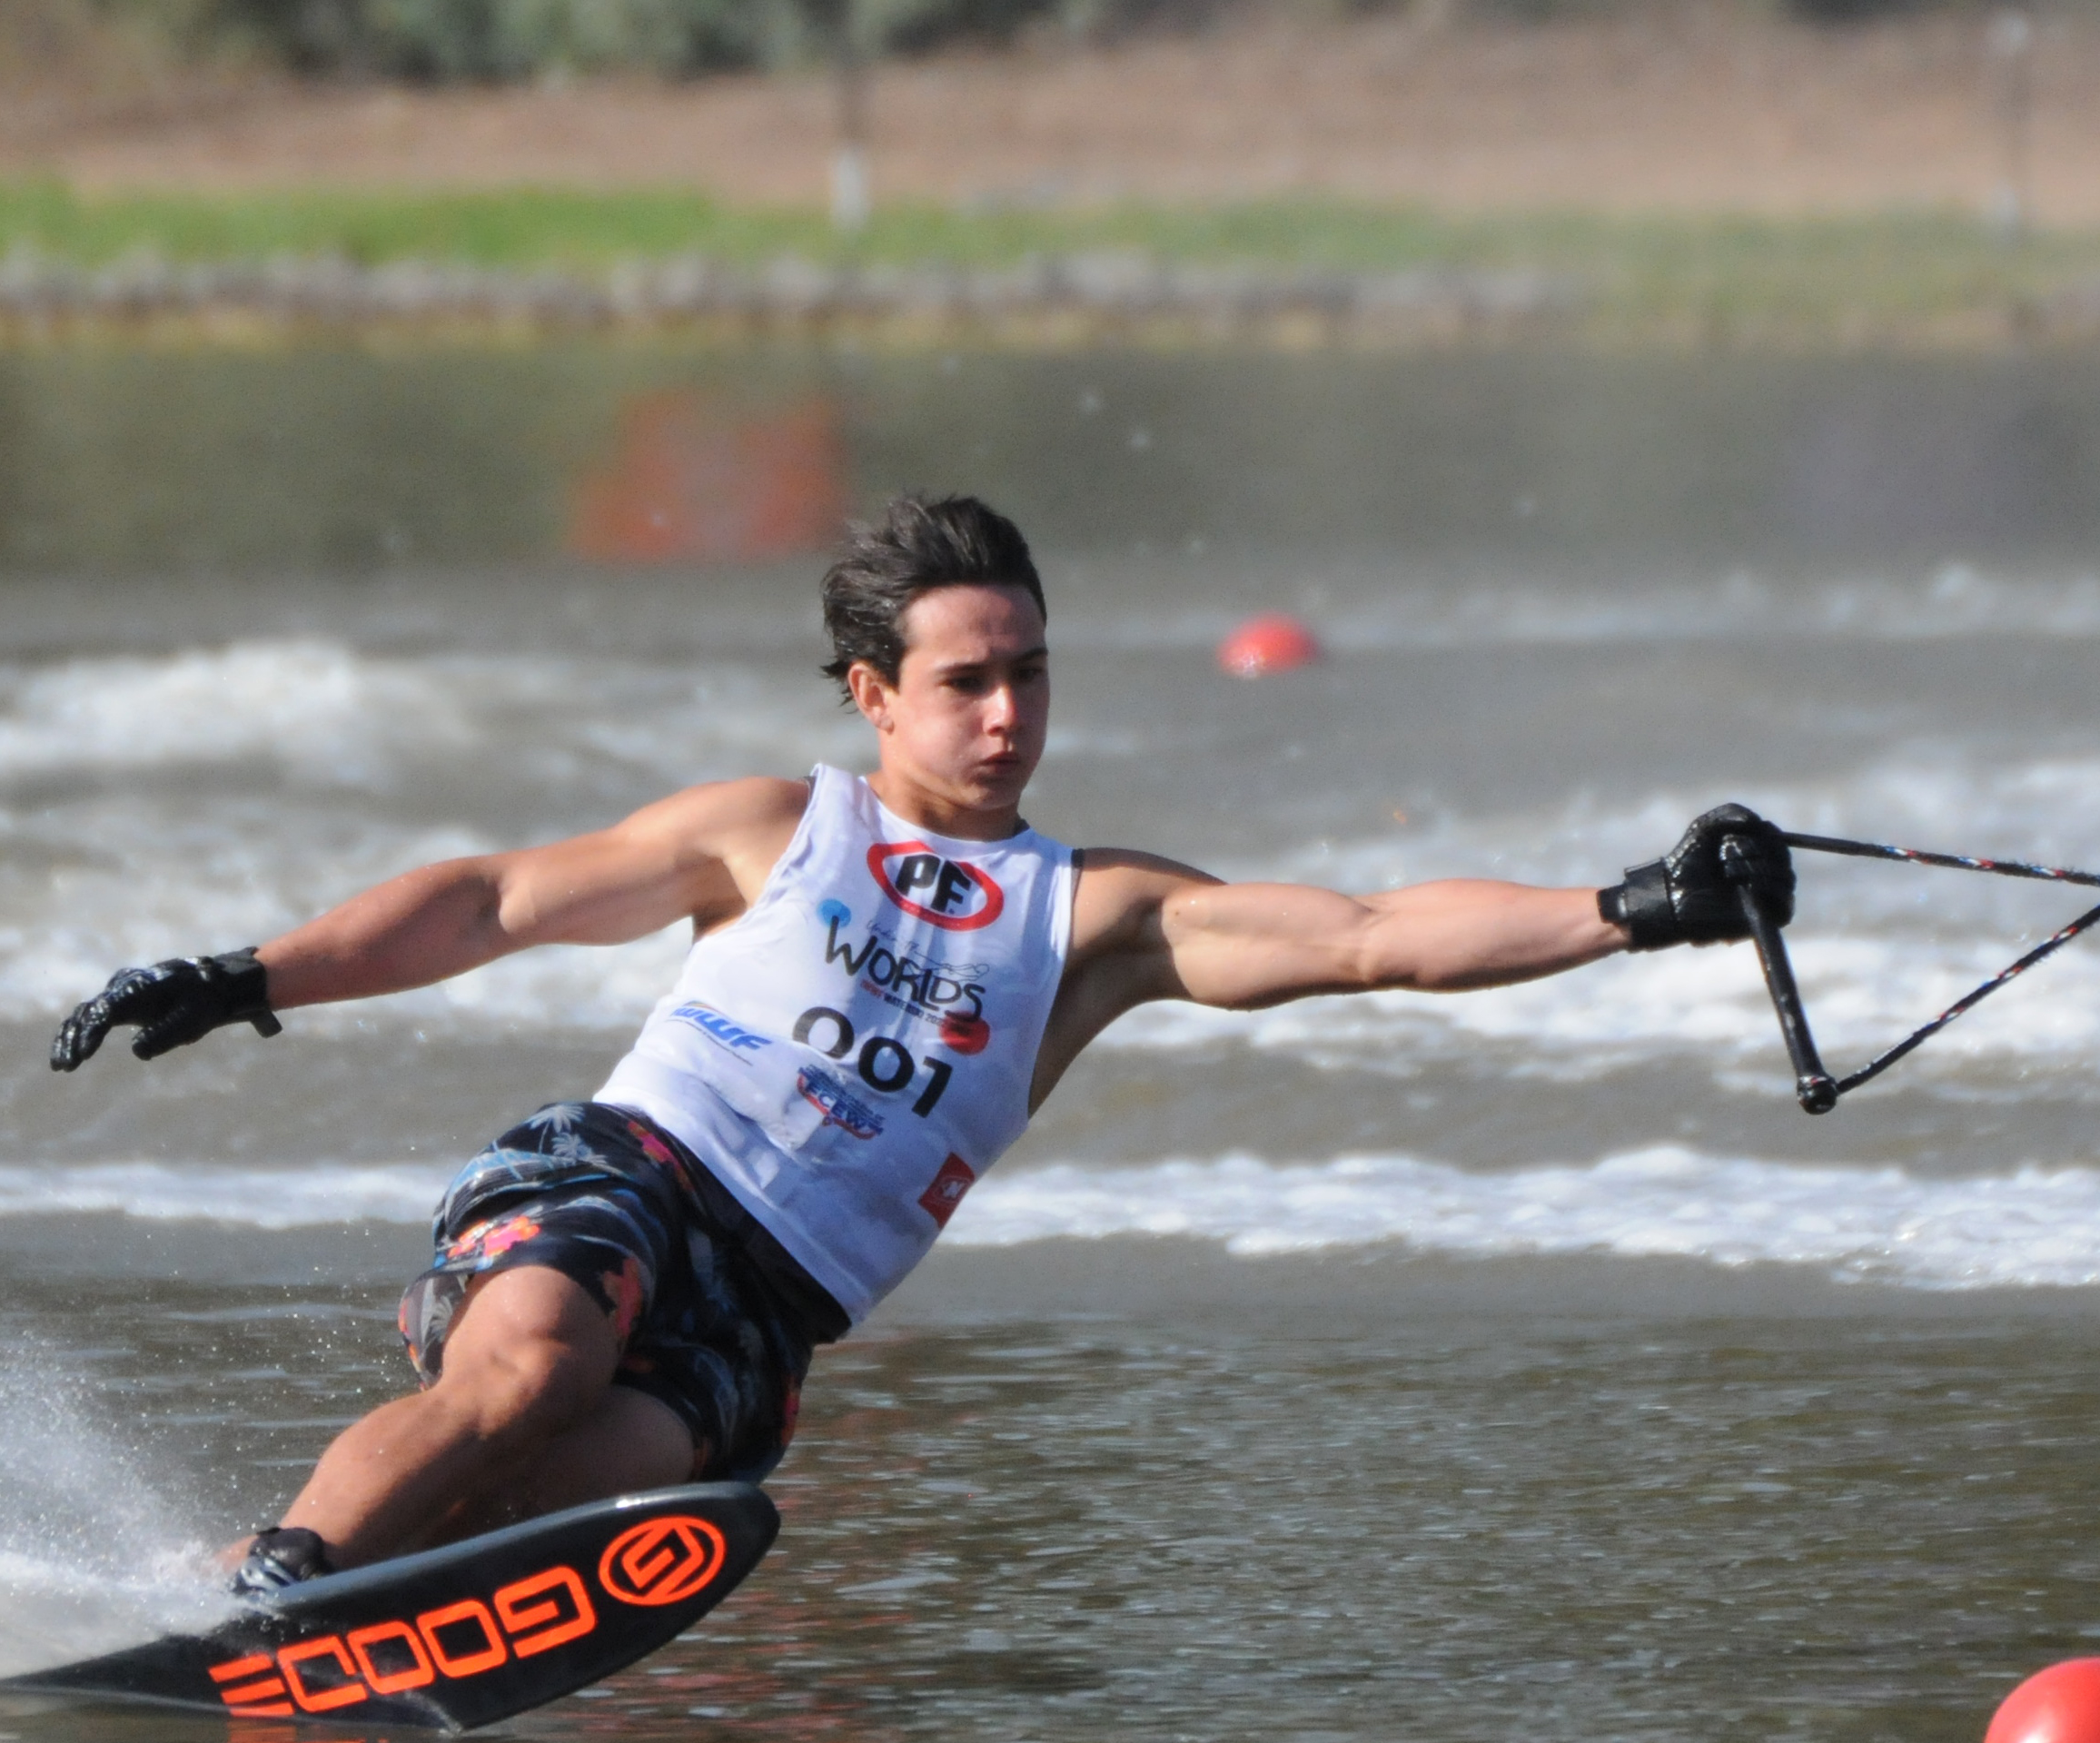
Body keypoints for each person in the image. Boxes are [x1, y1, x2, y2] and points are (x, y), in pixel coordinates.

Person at [48, 495, 1795, 1596]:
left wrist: (1638, 904)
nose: (1010, 712)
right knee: (528, 1374)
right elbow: (494, 902)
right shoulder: (769, 830)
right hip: (622, 1186)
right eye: (966, 681)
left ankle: (277, 1605)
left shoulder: (1092, 921)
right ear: (875, 696)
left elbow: (1371, 939)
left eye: (1029, 670)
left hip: (771, 1307)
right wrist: (248, 971)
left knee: (575, 1493)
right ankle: (271, 1589)